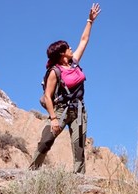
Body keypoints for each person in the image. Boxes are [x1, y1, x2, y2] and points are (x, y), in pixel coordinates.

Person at [29, 3, 101, 174]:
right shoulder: (54, 71)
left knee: (79, 147)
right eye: (68, 47)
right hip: (60, 110)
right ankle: (31, 173)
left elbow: (84, 40)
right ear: (61, 54)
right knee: (46, 141)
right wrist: (53, 119)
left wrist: (90, 20)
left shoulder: (74, 63)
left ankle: (79, 180)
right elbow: (47, 96)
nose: (71, 49)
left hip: (79, 110)